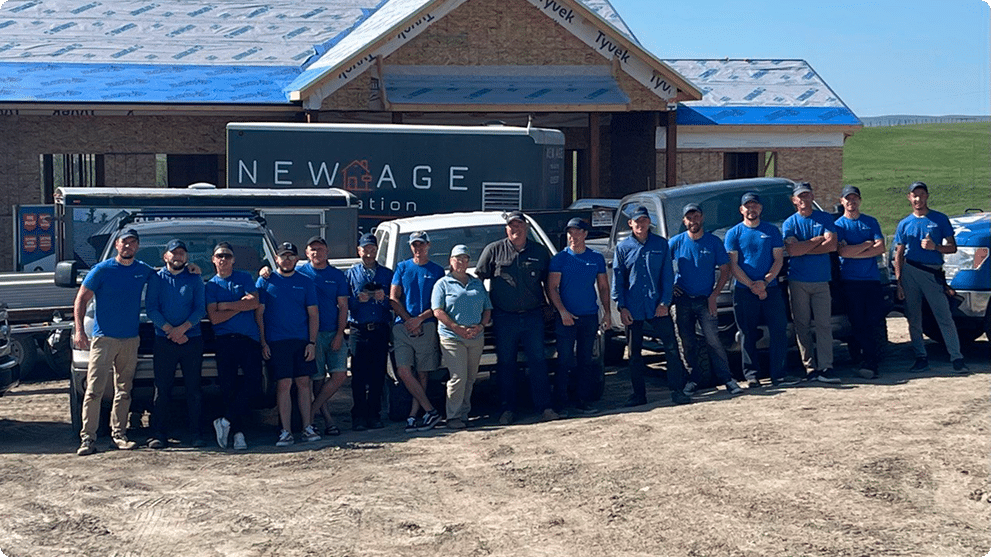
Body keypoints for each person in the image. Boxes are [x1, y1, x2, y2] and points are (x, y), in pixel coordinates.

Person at [73, 228, 155, 456]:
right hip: (103, 339)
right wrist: (79, 331)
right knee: (94, 390)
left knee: (124, 390)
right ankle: (88, 439)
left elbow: (167, 276)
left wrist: (191, 269)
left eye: (132, 242)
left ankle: (119, 435)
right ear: (116, 244)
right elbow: (81, 299)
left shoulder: (142, 270)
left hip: (130, 340)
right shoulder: (101, 270)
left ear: (137, 246)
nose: (128, 246)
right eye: (124, 242)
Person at [476, 211, 557, 425]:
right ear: (506, 229)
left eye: (519, 225)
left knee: (538, 362)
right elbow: (478, 281)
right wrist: (483, 308)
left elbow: (549, 282)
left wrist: (550, 306)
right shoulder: (493, 250)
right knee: (506, 364)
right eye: (512, 226)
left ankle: (545, 407)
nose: (515, 229)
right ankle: (507, 409)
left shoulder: (539, 252)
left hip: (533, 317)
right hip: (504, 318)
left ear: (526, 227)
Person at [612, 205, 690, 406]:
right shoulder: (622, 248)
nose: (641, 224)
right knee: (634, 354)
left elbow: (667, 276)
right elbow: (618, 279)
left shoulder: (661, 244)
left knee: (671, 348)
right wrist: (622, 307)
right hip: (633, 308)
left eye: (644, 220)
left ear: (649, 223)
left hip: (658, 307)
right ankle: (639, 395)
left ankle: (677, 390)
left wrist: (665, 302)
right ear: (630, 223)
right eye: (637, 221)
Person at [725, 193, 801, 388]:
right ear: (741, 210)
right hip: (744, 290)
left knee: (778, 331)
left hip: (771, 289)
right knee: (747, 333)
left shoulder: (772, 231)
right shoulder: (733, 233)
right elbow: (733, 265)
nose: (751, 209)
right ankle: (751, 376)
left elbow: (778, 259)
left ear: (760, 208)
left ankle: (779, 375)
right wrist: (752, 285)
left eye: (755, 205)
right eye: (747, 206)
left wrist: (765, 282)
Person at [893, 181, 968, 373]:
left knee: (944, 316)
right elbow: (898, 254)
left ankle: (956, 357)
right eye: (914, 195)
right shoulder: (904, 224)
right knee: (914, 318)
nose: (918, 199)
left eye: (921, 194)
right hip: (910, 272)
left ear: (926, 196)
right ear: (909, 198)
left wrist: (936, 247)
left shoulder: (939, 219)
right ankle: (921, 357)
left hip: (932, 272)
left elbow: (952, 247)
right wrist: (899, 282)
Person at [668, 204, 743, 396]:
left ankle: (727, 379)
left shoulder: (713, 242)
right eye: (689, 218)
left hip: (705, 299)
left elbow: (725, 270)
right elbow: (661, 266)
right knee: (687, 342)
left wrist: (714, 295)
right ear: (684, 221)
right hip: (683, 299)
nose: (693, 221)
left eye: (696, 217)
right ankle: (692, 380)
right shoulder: (675, 242)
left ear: (702, 218)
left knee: (713, 340)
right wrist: (670, 286)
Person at [256, 242, 321, 447]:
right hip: (277, 341)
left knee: (303, 383)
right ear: (276, 259)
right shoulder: (265, 280)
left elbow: (313, 314)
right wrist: (263, 342)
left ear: (297, 259)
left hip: (301, 340)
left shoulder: (306, 282)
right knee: (284, 384)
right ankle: (285, 431)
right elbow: (259, 314)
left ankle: (307, 427)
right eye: (283, 256)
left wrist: (312, 343)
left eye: (291, 256)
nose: (287, 260)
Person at [145, 239, 206, 448]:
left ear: (186, 257)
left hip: (192, 339)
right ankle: (159, 434)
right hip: (164, 340)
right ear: (165, 256)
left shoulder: (195, 278)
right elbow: (151, 309)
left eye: (181, 253)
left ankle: (196, 433)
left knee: (194, 389)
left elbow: (200, 309)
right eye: (174, 252)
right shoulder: (156, 278)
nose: (178, 256)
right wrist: (170, 330)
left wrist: (183, 329)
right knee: (162, 388)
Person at [546, 217, 611, 413]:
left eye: (577, 232)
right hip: (566, 318)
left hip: (589, 316)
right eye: (570, 233)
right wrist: (562, 311)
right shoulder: (560, 259)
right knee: (564, 360)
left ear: (585, 234)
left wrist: (607, 313)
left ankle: (582, 400)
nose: (573, 236)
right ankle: (560, 402)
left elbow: (603, 287)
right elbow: (552, 288)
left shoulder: (596, 258)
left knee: (586, 360)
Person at [782, 182, 839, 384]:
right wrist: (817, 240)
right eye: (800, 196)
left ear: (812, 197)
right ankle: (810, 367)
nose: (804, 199)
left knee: (824, 324)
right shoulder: (789, 223)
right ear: (794, 200)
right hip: (798, 280)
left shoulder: (824, 218)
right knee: (802, 325)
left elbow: (832, 245)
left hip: (821, 279)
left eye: (807, 195)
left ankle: (826, 366)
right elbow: (793, 250)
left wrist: (804, 247)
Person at [206, 242, 261, 451]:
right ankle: (238, 434)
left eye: (227, 256)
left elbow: (254, 303)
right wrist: (240, 305)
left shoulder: (245, 278)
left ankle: (226, 420)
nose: (223, 259)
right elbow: (215, 318)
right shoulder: (210, 286)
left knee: (254, 383)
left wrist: (226, 306)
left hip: (249, 339)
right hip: (224, 340)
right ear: (213, 259)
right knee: (228, 388)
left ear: (233, 259)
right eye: (219, 256)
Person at [431, 245, 493, 429]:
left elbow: (487, 308)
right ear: (451, 261)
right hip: (452, 337)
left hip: (475, 336)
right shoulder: (442, 284)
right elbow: (438, 311)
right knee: (458, 376)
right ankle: (453, 416)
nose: (461, 263)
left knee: (470, 377)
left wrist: (481, 326)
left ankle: (464, 414)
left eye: (465, 259)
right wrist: (455, 327)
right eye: (458, 259)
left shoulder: (477, 283)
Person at [389, 231, 444, 433]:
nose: (418, 248)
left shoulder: (437, 270)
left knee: (422, 373)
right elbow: (393, 298)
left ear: (428, 245)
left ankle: (414, 415)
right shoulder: (402, 267)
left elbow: (440, 302)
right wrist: (409, 320)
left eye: (421, 244)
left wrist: (420, 319)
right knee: (403, 371)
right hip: (402, 326)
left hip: (426, 324)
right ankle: (430, 410)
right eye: (414, 245)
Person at [296, 236, 350, 437]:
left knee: (339, 375)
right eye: (313, 249)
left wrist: (340, 333)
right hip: (311, 334)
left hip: (333, 332)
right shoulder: (300, 273)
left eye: (320, 249)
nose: (316, 252)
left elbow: (343, 306)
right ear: (306, 253)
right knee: (317, 379)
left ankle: (310, 413)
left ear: (327, 252)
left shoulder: (336, 275)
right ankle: (327, 420)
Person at [833, 185, 887, 379]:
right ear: (842, 201)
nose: (851, 202)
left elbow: (880, 247)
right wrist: (866, 245)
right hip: (850, 281)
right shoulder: (838, 225)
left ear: (859, 200)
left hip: (871, 280)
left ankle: (871, 360)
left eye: (854, 198)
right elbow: (842, 252)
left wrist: (854, 250)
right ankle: (865, 360)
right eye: (847, 198)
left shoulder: (870, 222)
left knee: (873, 321)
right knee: (857, 322)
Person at [345, 233, 394, 431]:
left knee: (378, 374)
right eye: (365, 249)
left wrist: (383, 299)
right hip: (358, 329)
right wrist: (357, 300)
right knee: (358, 375)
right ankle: (358, 416)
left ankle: (374, 414)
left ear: (377, 250)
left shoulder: (387, 274)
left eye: (372, 249)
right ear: (359, 251)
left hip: (380, 329)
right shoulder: (351, 274)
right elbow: (343, 302)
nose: (369, 252)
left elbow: (395, 302)